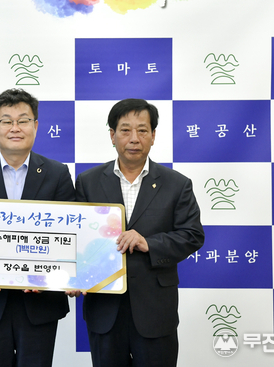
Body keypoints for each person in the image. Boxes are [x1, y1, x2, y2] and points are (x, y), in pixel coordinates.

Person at [75, 98, 204, 367]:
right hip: (105, 309)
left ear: (153, 136)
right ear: (112, 135)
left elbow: (192, 235)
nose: (134, 138)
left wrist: (149, 243)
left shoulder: (176, 184)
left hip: (155, 310)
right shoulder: (88, 182)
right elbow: (76, 238)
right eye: (125, 130)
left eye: (142, 130)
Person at [0, 88, 76, 367]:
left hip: (40, 304)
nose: (15, 128)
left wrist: (50, 276)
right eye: (6, 121)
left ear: (36, 125)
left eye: (23, 121)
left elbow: (69, 236)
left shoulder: (57, 173)